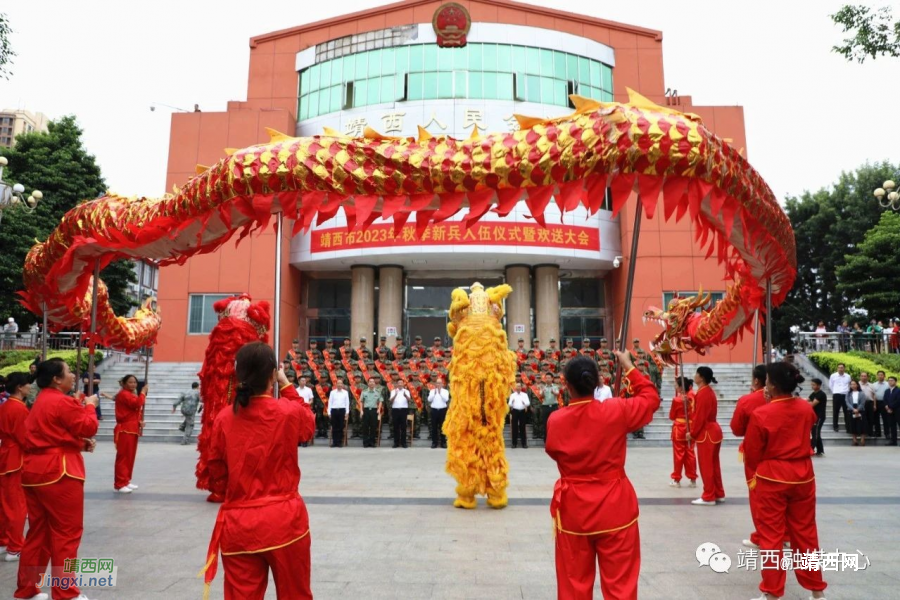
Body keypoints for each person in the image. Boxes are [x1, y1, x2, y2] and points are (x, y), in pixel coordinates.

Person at [200, 341, 315, 600]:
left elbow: (216, 472)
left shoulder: (224, 418)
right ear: (273, 374)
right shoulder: (287, 411)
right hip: (285, 521)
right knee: (295, 594)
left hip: (239, 523)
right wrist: (286, 385)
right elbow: (308, 426)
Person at [545, 352, 659, 600]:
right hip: (615, 506)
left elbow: (553, 451)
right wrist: (628, 366)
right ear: (598, 382)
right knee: (621, 586)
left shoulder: (556, 420)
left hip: (574, 510)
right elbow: (650, 399)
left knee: (573, 586)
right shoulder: (616, 410)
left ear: (566, 384)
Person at [15, 358, 98, 600]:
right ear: (56, 379)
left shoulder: (41, 400)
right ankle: (65, 592)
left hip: (35, 470)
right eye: (69, 372)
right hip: (59, 472)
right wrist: (90, 406)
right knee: (67, 533)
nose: (73, 375)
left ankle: (28, 589)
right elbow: (88, 427)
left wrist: (77, 444)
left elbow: (48, 435)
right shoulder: (62, 401)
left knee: (38, 533)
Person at [743, 362, 827, 600]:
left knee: (771, 536)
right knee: (806, 533)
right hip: (803, 475)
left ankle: (772, 591)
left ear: (772, 385)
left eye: (768, 381)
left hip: (772, 476)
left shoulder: (762, 414)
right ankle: (817, 591)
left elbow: (752, 453)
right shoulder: (805, 409)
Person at [729, 365, 768, 548]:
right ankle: (784, 534)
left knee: (758, 496)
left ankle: (762, 535)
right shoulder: (793, 402)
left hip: (757, 454)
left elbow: (737, 428)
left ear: (756, 380)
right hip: (785, 456)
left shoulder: (748, 400)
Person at [0, 373, 31, 562]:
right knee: (17, 505)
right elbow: (24, 439)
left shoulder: (5, 406)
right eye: (27, 384)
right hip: (15, 458)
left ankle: (4, 541)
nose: (30, 387)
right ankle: (15, 547)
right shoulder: (19, 408)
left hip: (5, 455)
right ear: (20, 387)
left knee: (5, 503)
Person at [689, 366, 724, 506]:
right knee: (714, 465)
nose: (695, 376)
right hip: (713, 431)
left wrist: (692, 433)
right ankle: (718, 492)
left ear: (701, 377)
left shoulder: (703, 393)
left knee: (706, 466)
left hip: (706, 433)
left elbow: (700, 417)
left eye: (697, 374)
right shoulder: (708, 391)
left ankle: (709, 495)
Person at [113, 375, 146, 493]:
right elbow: (137, 403)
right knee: (124, 457)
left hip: (132, 428)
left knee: (130, 456)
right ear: (124, 383)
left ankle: (126, 480)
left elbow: (134, 411)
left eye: (135, 382)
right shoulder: (124, 394)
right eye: (130, 382)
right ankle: (120, 483)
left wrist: (139, 422)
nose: (133, 384)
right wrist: (143, 393)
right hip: (125, 429)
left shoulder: (129, 394)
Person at [668, 376, 697, 488]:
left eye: (676, 385)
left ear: (681, 387)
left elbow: (672, 416)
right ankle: (693, 479)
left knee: (678, 455)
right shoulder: (694, 396)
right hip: (691, 428)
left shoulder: (677, 400)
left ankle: (676, 479)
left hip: (679, 429)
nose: (675, 386)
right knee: (690, 454)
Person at [427, 378, 449, 449]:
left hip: (442, 410)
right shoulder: (432, 391)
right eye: (437, 383)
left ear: (442, 384)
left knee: (443, 427)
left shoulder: (445, 391)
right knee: (434, 427)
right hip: (434, 410)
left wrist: (440, 393)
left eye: (440, 383)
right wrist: (434, 394)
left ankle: (443, 442)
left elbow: (446, 399)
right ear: (435, 384)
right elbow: (429, 399)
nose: (438, 384)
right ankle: (434, 442)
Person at [359, 378, 382, 448]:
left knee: (373, 427)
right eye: (370, 382)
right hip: (366, 410)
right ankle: (365, 442)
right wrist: (361, 410)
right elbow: (361, 401)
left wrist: (379, 409)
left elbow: (380, 401)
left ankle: (372, 442)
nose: (372, 383)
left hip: (374, 411)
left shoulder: (378, 392)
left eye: (373, 382)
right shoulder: (364, 392)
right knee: (365, 427)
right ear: (368, 383)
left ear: (375, 383)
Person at [828, 363, 850, 433]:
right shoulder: (833, 376)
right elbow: (830, 385)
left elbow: (849, 385)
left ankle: (848, 427)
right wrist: (835, 391)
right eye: (839, 367)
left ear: (844, 368)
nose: (840, 369)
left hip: (845, 395)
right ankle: (835, 426)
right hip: (836, 395)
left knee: (846, 412)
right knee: (835, 411)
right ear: (837, 368)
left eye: (842, 367)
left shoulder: (848, 376)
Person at [507, 383, 531, 449]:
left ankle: (524, 444)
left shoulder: (524, 394)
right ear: (515, 388)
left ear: (521, 387)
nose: (518, 387)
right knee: (514, 427)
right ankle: (514, 444)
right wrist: (512, 402)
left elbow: (528, 403)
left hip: (522, 411)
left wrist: (525, 403)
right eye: (517, 386)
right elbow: (509, 404)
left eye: (519, 386)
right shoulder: (512, 395)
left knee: (522, 427)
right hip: (515, 411)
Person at [327, 379, 349, 448]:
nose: (339, 385)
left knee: (341, 426)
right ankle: (335, 442)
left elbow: (347, 403)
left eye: (341, 383)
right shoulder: (332, 392)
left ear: (342, 385)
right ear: (336, 384)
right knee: (334, 426)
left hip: (342, 410)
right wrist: (329, 412)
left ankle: (339, 442)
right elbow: (330, 402)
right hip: (334, 410)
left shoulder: (345, 392)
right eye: (338, 383)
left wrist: (347, 412)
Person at [389, 380, 411, 448]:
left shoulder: (406, 391)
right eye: (399, 383)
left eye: (401, 383)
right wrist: (395, 394)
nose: (400, 384)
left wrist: (405, 395)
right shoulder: (393, 391)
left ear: (403, 384)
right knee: (396, 427)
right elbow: (391, 400)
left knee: (403, 427)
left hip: (403, 410)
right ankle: (396, 443)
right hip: (395, 410)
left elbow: (409, 400)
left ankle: (403, 443)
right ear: (396, 384)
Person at [808, 378, 827, 456]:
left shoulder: (821, 394)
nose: (812, 386)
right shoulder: (813, 394)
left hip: (820, 416)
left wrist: (809, 402)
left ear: (819, 386)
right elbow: (807, 400)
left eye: (814, 385)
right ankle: (820, 450)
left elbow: (812, 404)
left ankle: (811, 449)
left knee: (815, 432)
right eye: (811, 385)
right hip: (814, 416)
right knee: (815, 432)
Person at [294, 376, 314, 447]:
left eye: (304, 381)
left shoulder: (309, 390)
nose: (303, 382)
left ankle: (305, 440)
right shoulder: (296, 390)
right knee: (298, 424)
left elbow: (311, 399)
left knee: (305, 425)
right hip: (298, 408)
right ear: (299, 382)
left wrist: (308, 403)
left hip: (306, 408)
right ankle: (298, 440)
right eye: (302, 381)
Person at [845, 380, 867, 446]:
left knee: (862, 425)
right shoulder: (848, 393)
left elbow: (862, 403)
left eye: (854, 384)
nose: (853, 385)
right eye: (851, 384)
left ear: (857, 385)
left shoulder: (861, 393)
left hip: (860, 409)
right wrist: (853, 409)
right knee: (852, 425)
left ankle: (862, 440)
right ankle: (854, 440)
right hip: (851, 409)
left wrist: (858, 409)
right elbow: (847, 402)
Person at [869, 370, 889, 439]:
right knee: (876, 418)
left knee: (885, 419)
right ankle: (878, 433)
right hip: (876, 402)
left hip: (885, 403)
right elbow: (873, 394)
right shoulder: (874, 384)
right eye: (879, 375)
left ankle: (887, 433)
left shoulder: (887, 384)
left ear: (884, 376)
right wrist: (874, 404)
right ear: (877, 376)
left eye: (881, 375)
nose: (880, 376)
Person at [884, 376, 900, 446]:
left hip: (897, 410)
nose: (890, 382)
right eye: (889, 380)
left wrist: (890, 407)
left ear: (895, 382)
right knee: (892, 426)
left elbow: (898, 401)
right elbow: (885, 400)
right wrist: (886, 406)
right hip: (889, 411)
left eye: (892, 380)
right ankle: (893, 441)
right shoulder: (887, 391)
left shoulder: (898, 390)